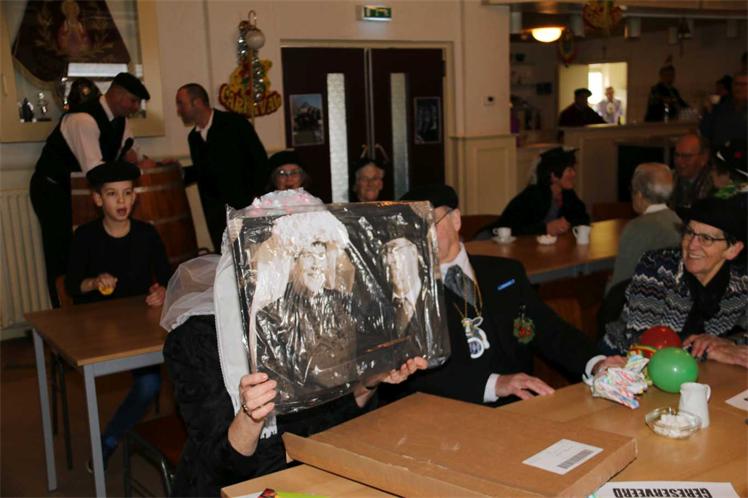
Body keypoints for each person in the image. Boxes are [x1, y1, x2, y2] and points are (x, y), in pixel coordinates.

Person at [162, 190, 427, 496]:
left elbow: (334, 419)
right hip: (236, 485)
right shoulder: (197, 341)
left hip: (313, 470)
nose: (314, 266)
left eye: (319, 252)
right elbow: (219, 465)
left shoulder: (321, 315)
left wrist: (368, 382)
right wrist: (250, 417)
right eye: (299, 253)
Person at [387, 184, 623, 406]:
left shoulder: (504, 273)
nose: (421, 236)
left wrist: (596, 362)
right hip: (450, 415)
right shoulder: (407, 294)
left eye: (429, 223)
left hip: (520, 407)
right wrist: (494, 384)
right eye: (412, 229)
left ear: (455, 219)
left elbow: (550, 329)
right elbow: (416, 376)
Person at [65, 160, 171, 470]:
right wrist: (93, 282)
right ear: (98, 199)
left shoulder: (147, 234)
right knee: (147, 384)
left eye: (127, 193)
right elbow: (72, 285)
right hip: (96, 329)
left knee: (155, 382)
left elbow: (167, 277)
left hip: (141, 327)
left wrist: (163, 291)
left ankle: (112, 440)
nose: (121, 200)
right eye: (112, 194)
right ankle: (109, 444)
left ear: (135, 196)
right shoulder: (85, 236)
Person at [31, 72, 151, 307]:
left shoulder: (122, 121)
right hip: (54, 191)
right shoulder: (83, 119)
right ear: (117, 94)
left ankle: (95, 307)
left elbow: (131, 154)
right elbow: (94, 170)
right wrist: (132, 170)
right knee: (61, 252)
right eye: (133, 101)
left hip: (81, 192)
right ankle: (64, 311)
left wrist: (148, 163)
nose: (136, 107)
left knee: (89, 250)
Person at [602, 194, 747, 355]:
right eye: (689, 233)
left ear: (733, 250)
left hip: (699, 367)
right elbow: (644, 342)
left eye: (706, 238)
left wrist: (729, 343)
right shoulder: (656, 266)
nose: (692, 245)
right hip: (622, 360)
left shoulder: (742, 283)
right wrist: (711, 352)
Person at [176, 83, 269, 251]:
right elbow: (204, 170)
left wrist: (256, 200)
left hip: (245, 208)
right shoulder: (194, 138)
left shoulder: (235, 124)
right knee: (224, 257)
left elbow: (260, 161)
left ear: (197, 102)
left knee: (252, 254)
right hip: (215, 214)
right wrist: (178, 172)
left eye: (181, 103)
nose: (179, 110)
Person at [479, 147, 590, 237]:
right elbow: (510, 227)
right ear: (554, 176)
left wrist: (567, 224)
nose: (574, 174)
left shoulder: (568, 194)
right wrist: (545, 229)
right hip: (489, 241)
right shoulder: (533, 195)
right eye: (569, 170)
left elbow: (584, 218)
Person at [606, 163, 681, 293]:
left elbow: (620, 282)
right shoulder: (678, 221)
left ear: (639, 195)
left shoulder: (636, 228)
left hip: (640, 299)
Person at [383, 237, 423, 337]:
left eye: (395, 250)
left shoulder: (440, 303)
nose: (389, 261)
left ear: (413, 252)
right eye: (385, 252)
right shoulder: (375, 309)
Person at [700, 71, 748, 149]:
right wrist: (708, 111)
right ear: (732, 86)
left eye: (744, 84)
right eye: (736, 84)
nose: (739, 88)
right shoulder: (722, 107)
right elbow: (705, 132)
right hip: (719, 152)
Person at [670, 133, 713, 210]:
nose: (679, 161)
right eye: (677, 155)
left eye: (687, 156)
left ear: (704, 157)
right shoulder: (668, 179)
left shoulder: (715, 183)